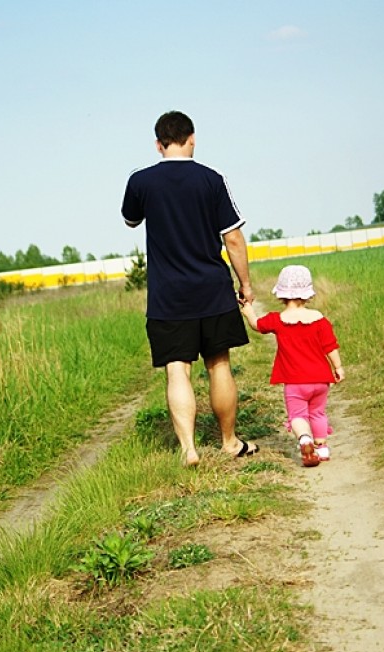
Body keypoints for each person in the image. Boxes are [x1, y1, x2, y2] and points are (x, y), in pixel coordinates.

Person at [121, 110, 259, 467]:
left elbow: (130, 219)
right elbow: (233, 237)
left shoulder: (141, 182)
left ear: (158, 144)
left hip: (168, 297)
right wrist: (245, 284)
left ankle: (189, 450)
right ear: (192, 138)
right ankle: (229, 442)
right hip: (212, 289)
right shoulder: (212, 179)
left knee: (176, 369)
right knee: (219, 364)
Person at [238, 264, 345, 467]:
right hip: (321, 379)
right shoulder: (319, 319)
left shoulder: (278, 320)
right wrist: (338, 368)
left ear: (281, 294)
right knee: (318, 413)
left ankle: (304, 439)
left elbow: (257, 325)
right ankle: (322, 448)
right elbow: (331, 346)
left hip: (295, 382)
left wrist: (248, 309)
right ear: (308, 293)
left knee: (298, 415)